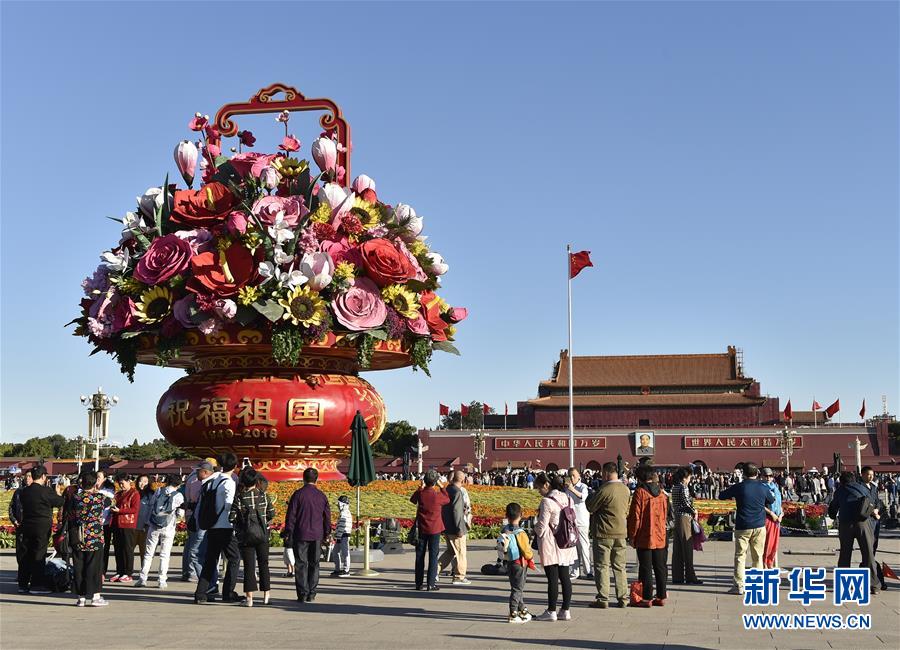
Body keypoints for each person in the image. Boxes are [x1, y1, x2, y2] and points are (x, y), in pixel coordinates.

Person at [719, 462, 774, 595]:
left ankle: (739, 586)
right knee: (758, 556)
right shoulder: (763, 487)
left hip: (743, 525)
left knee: (740, 556)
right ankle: (757, 584)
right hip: (759, 526)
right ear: (757, 474)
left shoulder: (739, 487)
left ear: (743, 474)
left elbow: (721, 496)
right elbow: (771, 500)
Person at [585, 461, 631, 608]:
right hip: (621, 532)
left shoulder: (604, 490)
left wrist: (590, 495)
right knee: (620, 567)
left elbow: (591, 506)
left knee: (602, 566)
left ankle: (603, 598)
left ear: (605, 473)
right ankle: (623, 598)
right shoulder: (625, 489)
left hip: (604, 533)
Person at [193, 459, 238, 604]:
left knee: (210, 560)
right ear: (235, 466)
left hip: (212, 525)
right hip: (225, 526)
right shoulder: (228, 482)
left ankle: (200, 593)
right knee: (234, 558)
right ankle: (228, 593)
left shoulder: (213, 480)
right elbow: (229, 505)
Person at [533, 473, 577, 621]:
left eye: (539, 487)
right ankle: (565, 610)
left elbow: (542, 526)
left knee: (552, 578)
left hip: (551, 543)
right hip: (566, 541)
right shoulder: (568, 498)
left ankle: (551, 611)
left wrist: (534, 530)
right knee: (565, 577)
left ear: (546, 485)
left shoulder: (547, 501)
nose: (539, 491)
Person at [283, 467, 331, 603]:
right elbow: (327, 517)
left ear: (303, 478)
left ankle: (302, 593)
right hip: (317, 534)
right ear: (317, 479)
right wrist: (327, 532)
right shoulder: (321, 496)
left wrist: (288, 531)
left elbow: (291, 515)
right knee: (314, 564)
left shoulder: (298, 494)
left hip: (301, 533)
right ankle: (312, 592)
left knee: (301, 564)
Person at [828, 471, 880, 595]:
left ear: (841, 482)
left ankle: (843, 583)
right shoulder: (863, 488)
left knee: (845, 554)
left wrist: (834, 514)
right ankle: (873, 585)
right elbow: (872, 503)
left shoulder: (840, 491)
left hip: (846, 524)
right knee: (868, 554)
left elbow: (832, 510)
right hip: (863, 523)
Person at [16, 465, 64, 594]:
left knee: (26, 554)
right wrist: (57, 493)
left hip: (26, 525)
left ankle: (23, 584)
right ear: (43, 476)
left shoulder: (24, 491)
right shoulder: (46, 491)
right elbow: (60, 502)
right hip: (41, 526)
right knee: (39, 554)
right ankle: (36, 585)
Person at [230, 468, 274, 607]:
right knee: (264, 564)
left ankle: (249, 598)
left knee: (249, 566)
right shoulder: (264, 496)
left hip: (246, 535)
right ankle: (266, 596)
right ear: (256, 481)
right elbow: (271, 513)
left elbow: (231, 517)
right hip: (262, 534)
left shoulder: (239, 498)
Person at [626, 464, 669, 607]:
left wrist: (632, 535)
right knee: (660, 566)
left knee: (645, 568)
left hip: (645, 535)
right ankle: (661, 596)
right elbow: (665, 514)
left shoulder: (640, 492)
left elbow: (635, 517)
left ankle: (647, 598)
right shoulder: (661, 493)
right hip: (660, 534)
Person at [135, 474, 184, 589]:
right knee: (165, 554)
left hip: (153, 526)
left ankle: (142, 579)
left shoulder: (158, 491)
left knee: (148, 553)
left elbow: (152, 506)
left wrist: (147, 521)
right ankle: (162, 580)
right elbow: (180, 514)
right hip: (168, 527)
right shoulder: (179, 495)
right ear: (179, 484)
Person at [71, 470, 112, 607]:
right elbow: (110, 502)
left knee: (79, 567)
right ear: (95, 483)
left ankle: (81, 598)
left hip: (79, 536)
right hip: (95, 537)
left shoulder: (75, 497)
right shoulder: (100, 498)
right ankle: (95, 596)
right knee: (94, 567)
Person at [410, 469, 450, 591]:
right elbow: (447, 499)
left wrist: (420, 488)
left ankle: (418, 583)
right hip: (435, 529)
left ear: (425, 481)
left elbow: (412, 500)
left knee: (419, 556)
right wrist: (442, 487)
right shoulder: (437, 496)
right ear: (435, 482)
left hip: (422, 528)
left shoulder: (421, 494)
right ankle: (430, 583)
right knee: (433, 556)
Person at [498, 502, 535, 623]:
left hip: (509, 562)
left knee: (516, 587)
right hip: (520, 563)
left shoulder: (505, 530)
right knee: (518, 588)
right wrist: (531, 556)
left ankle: (522, 609)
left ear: (506, 515)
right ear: (521, 515)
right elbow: (526, 551)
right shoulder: (521, 533)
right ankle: (513, 613)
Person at [180, 458, 216, 583]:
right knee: (196, 547)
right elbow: (195, 498)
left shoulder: (191, 477)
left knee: (191, 543)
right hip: (197, 516)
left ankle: (188, 571)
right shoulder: (198, 480)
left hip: (192, 514)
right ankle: (193, 573)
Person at [438, 470, 470, 585]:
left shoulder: (447, 489)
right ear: (462, 480)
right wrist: (459, 529)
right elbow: (457, 512)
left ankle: (435, 570)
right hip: (455, 528)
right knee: (461, 553)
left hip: (447, 526)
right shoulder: (457, 492)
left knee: (450, 551)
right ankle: (459, 576)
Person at [671, 466, 702, 585]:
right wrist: (694, 511)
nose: (690, 479)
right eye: (689, 477)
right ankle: (690, 576)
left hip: (677, 517)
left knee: (678, 549)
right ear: (685, 477)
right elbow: (686, 502)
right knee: (687, 547)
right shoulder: (683, 487)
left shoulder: (675, 487)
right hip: (685, 517)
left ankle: (677, 576)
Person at [109, 474, 140, 583]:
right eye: (119, 483)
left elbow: (135, 509)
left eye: (122, 483)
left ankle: (128, 573)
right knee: (118, 549)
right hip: (117, 524)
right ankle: (120, 571)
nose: (121, 485)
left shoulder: (134, 493)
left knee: (128, 549)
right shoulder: (118, 494)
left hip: (128, 524)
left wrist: (120, 511)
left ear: (128, 482)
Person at [860, 466, 887, 591]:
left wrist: (877, 509)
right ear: (862, 474)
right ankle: (873, 578)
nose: (870, 477)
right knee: (868, 549)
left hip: (875, 520)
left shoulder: (874, 487)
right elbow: (862, 504)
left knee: (873, 547)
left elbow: (877, 501)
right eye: (868, 474)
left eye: (872, 474)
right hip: (867, 520)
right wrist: (872, 511)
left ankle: (871, 575)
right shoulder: (860, 487)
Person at [565, 467, 592, 580]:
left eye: (574, 475)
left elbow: (583, 497)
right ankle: (575, 571)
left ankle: (588, 571)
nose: (572, 478)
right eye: (570, 476)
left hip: (581, 521)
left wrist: (572, 489)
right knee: (573, 547)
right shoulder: (566, 489)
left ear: (579, 476)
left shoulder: (583, 487)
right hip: (571, 521)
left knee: (584, 546)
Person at [9, 471, 34, 570]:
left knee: (31, 552)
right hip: (20, 526)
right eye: (26, 476)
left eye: (29, 476)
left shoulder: (37, 493)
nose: (27, 478)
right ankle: (22, 573)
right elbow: (11, 508)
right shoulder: (18, 492)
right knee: (20, 553)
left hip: (32, 527)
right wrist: (14, 521)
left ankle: (31, 573)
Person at [761, 468, 783, 570]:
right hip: (768, 518)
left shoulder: (775, 487)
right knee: (767, 543)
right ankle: (764, 563)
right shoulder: (761, 488)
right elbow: (760, 505)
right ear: (762, 476)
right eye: (766, 476)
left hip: (777, 519)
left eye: (770, 476)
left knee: (774, 544)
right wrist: (771, 513)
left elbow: (779, 503)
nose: (768, 478)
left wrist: (781, 514)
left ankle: (771, 562)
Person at [330, 495, 352, 577]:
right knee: (336, 552)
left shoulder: (344, 513)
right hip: (342, 535)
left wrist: (337, 536)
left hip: (343, 535)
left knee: (345, 553)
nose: (338, 506)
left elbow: (342, 526)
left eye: (339, 504)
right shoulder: (345, 512)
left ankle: (346, 570)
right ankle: (338, 569)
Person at [134, 474, 153, 562]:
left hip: (145, 527)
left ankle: (144, 569)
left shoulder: (151, 495)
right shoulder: (134, 493)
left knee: (144, 551)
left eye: (145, 482)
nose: (142, 484)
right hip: (133, 526)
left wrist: (147, 523)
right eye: (140, 481)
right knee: (129, 550)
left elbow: (152, 511)